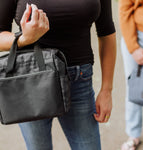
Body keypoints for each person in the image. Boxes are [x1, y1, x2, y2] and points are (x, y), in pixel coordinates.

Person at [0, 0, 116, 150]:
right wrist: (23, 39)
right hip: (30, 82)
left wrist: (107, 89)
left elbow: (107, 32)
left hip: (79, 80)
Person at [119, 0, 143, 150]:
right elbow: (124, 10)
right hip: (138, 37)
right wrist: (133, 47)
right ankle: (133, 135)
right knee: (134, 88)